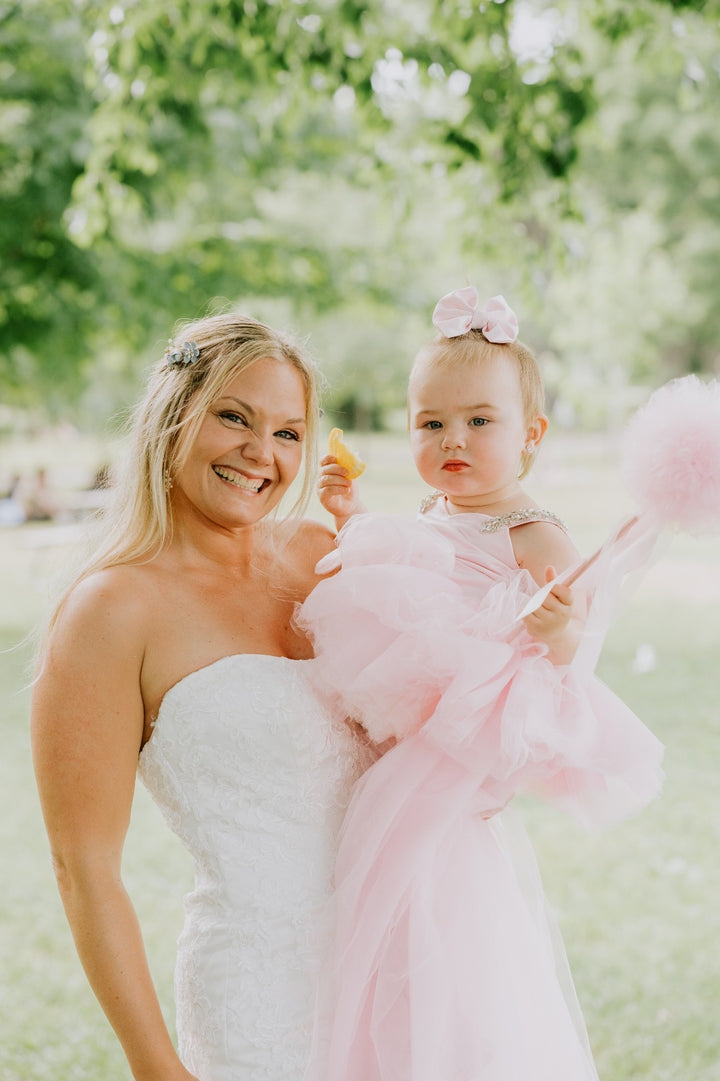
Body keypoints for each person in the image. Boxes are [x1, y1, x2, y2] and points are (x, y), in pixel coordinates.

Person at [297, 288, 664, 1081]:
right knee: (375, 912)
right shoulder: (436, 508)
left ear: (530, 436)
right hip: (394, 751)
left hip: (448, 776)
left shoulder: (534, 532)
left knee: (432, 925)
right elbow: (399, 583)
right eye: (430, 423)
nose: (451, 439)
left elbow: (577, 650)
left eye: (478, 421)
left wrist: (560, 630)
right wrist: (350, 512)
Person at [30, 313, 373, 1081]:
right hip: (257, 999)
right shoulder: (110, 611)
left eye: (289, 433)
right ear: (174, 415)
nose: (262, 453)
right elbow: (82, 865)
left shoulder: (322, 555)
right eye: (234, 417)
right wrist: (157, 1067)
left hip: (395, 962)